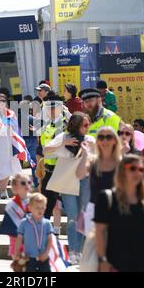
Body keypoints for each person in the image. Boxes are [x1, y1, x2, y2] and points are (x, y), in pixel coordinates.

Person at [94, 154, 144, 272]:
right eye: (132, 168)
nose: (137, 173)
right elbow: (100, 232)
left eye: (141, 169)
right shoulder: (107, 199)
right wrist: (102, 260)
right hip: (115, 265)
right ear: (122, 171)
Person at [44, 112, 95, 264]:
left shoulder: (90, 140)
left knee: (84, 216)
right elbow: (46, 150)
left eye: (89, 124)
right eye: (85, 125)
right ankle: (74, 251)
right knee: (73, 217)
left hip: (85, 181)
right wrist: (62, 144)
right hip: (68, 183)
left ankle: (84, 250)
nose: (88, 127)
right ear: (76, 125)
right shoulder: (64, 137)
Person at [78, 126, 121, 236]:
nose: (105, 140)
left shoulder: (121, 162)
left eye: (108, 137)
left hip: (116, 209)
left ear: (115, 140)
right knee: (94, 249)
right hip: (94, 209)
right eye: (101, 137)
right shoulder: (93, 161)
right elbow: (79, 175)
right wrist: (85, 155)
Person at [0, 94, 23, 199]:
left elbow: (17, 129)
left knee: (10, 166)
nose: (2, 102)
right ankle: (2, 189)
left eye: (3, 100)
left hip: (10, 143)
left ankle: (4, 190)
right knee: (0, 166)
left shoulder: (11, 113)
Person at [38, 93, 68, 221]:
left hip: (62, 169)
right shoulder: (47, 124)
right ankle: (45, 231)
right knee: (46, 204)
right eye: (47, 107)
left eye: (53, 106)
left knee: (65, 204)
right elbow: (42, 145)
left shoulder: (66, 124)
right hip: (48, 169)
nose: (50, 110)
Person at [14, 193, 54, 272]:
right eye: (37, 208)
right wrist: (17, 252)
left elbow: (50, 240)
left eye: (42, 208)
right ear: (30, 208)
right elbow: (19, 238)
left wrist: (46, 253)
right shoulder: (24, 223)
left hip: (43, 257)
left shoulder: (47, 223)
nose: (40, 210)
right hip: (29, 257)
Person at [0, 173, 31, 260]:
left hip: (31, 241)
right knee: (18, 265)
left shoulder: (33, 201)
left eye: (29, 182)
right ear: (15, 187)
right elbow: (9, 225)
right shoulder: (11, 205)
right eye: (23, 183)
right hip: (15, 240)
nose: (27, 185)